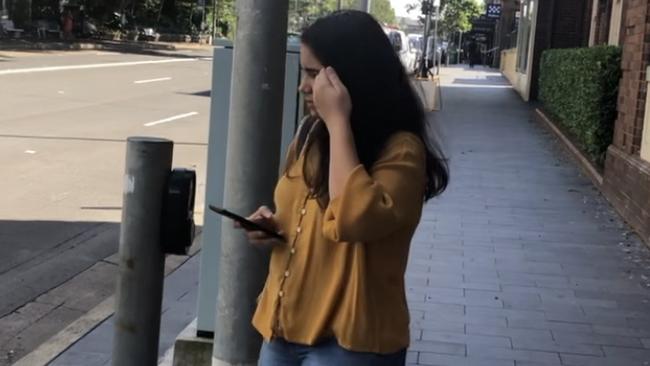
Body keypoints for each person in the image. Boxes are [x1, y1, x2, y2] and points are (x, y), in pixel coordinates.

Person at [236, 10, 449, 366]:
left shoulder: (401, 150)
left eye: (315, 74)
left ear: (351, 77)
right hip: (283, 328)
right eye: (305, 73)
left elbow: (353, 220)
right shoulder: (309, 136)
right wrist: (272, 228)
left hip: (351, 343)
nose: (305, 85)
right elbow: (305, 220)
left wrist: (338, 123)